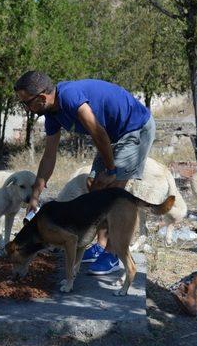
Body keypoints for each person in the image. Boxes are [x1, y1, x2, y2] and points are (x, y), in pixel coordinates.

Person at [14, 71, 155, 275]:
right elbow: (49, 157)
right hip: (111, 135)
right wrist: (35, 196)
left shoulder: (70, 97)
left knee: (112, 193)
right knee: (94, 187)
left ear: (42, 98)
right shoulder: (52, 114)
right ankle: (100, 245)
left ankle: (113, 253)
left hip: (134, 128)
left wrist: (111, 170)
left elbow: (97, 132)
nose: (26, 108)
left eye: (26, 103)